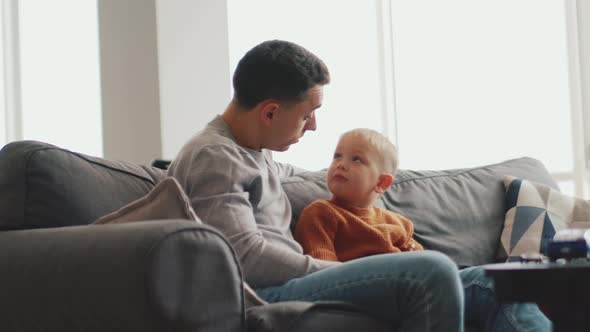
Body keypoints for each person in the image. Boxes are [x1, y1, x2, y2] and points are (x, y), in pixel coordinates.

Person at [167, 39, 551, 332]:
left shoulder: (255, 150)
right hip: (260, 294)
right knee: (430, 270)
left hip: (290, 281)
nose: (313, 126)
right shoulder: (214, 156)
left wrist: (361, 178)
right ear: (269, 112)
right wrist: (326, 268)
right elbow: (242, 256)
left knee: (498, 282)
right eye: (307, 115)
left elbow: (297, 176)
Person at [294, 128, 424, 262]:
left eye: (356, 159)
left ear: (382, 182)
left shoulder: (399, 223)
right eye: (337, 156)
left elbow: (423, 263)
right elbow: (323, 269)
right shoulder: (320, 213)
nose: (341, 164)